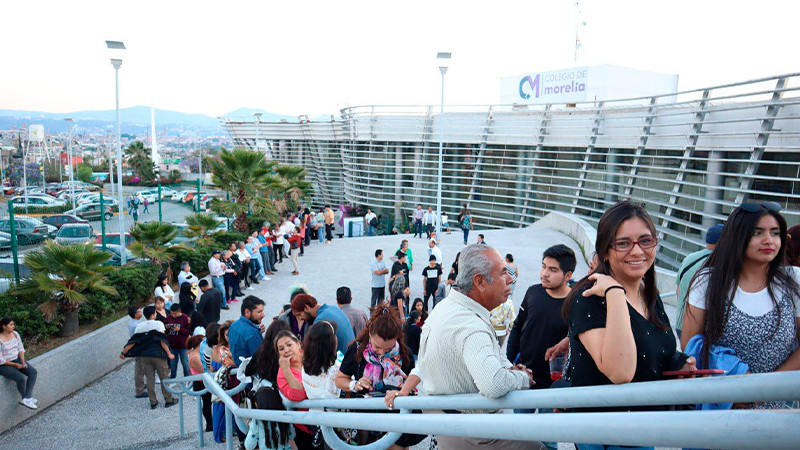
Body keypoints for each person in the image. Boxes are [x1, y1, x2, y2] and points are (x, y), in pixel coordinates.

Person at [563, 202, 694, 430]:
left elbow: (652, 351)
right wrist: (615, 293)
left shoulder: (647, 293)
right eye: (623, 243)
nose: (637, 251)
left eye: (645, 241)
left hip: (646, 428)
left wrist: (678, 364)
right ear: (604, 251)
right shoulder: (588, 297)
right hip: (607, 434)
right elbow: (620, 372)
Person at [418, 244, 543, 450]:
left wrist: (507, 368)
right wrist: (523, 379)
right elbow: (493, 384)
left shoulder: (445, 307)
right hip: (473, 432)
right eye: (503, 273)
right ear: (480, 282)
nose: (511, 279)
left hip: (447, 423)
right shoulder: (471, 325)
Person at [681, 202, 800, 409]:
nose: (769, 240)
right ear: (737, 236)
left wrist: (763, 388)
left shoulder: (794, 280)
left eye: (775, 233)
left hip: (775, 409)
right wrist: (733, 395)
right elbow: (690, 347)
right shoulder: (709, 281)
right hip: (721, 405)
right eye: (757, 232)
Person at [334, 307, 424, 448]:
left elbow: (411, 386)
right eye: (377, 347)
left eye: (388, 349)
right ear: (370, 333)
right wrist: (354, 384)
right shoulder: (357, 350)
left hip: (395, 417)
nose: (382, 353)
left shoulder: (405, 353)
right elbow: (340, 379)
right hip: (366, 419)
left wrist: (401, 392)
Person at [506, 244, 576, 391]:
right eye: (543, 266)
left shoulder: (575, 304)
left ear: (568, 275)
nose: (544, 273)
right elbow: (518, 327)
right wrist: (508, 363)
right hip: (524, 378)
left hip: (554, 385)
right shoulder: (533, 292)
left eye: (553, 270)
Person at [243, 320, 295, 450]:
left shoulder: (261, 351)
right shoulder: (287, 354)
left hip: (265, 398)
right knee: (286, 431)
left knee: (264, 429)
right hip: (284, 398)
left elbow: (248, 371)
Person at [120, 306, 177, 409]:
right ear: (153, 315)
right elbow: (162, 341)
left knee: (150, 379)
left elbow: (133, 341)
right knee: (164, 378)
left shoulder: (140, 326)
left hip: (144, 356)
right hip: (158, 355)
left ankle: (153, 402)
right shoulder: (158, 324)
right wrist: (169, 353)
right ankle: (168, 400)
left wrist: (123, 352)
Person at [674, 224, 724, 337]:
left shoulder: (689, 258)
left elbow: (678, 289)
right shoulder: (720, 264)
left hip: (680, 325)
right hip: (701, 330)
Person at [274, 331, 321, 449]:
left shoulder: (311, 357)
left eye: (289, 345)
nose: (286, 350)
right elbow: (298, 395)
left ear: (298, 344)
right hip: (306, 426)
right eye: (281, 348)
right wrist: (286, 369)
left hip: (328, 415)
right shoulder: (282, 374)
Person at [0, 318, 38, 409]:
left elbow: (20, 349)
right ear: (4, 326)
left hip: (16, 359)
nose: (13, 326)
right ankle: (26, 398)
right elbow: (1, 359)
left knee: (33, 372)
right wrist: (15, 365)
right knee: (21, 378)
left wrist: (22, 362)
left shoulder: (15, 334)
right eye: (11, 325)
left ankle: (27, 398)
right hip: (4, 364)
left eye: (13, 324)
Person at [302, 321, 342, 401]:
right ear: (331, 342)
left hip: (313, 411)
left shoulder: (305, 366)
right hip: (334, 413)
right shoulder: (338, 367)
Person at [228, 295, 266, 366]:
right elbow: (260, 359)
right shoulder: (252, 334)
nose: (263, 315)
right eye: (259, 312)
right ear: (247, 312)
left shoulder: (234, 325)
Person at [186, 334, 212, 432]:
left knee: (207, 403)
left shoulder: (192, 353)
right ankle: (210, 424)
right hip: (201, 383)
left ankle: (210, 424)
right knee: (207, 403)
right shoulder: (195, 357)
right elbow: (203, 371)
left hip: (199, 381)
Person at [165, 303, 191, 378]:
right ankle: (173, 378)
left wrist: (180, 329)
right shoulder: (169, 318)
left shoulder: (185, 318)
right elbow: (166, 331)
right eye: (171, 313)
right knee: (173, 364)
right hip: (172, 345)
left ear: (179, 311)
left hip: (183, 346)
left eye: (175, 313)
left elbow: (188, 332)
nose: (173, 315)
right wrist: (167, 328)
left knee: (185, 363)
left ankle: (187, 378)